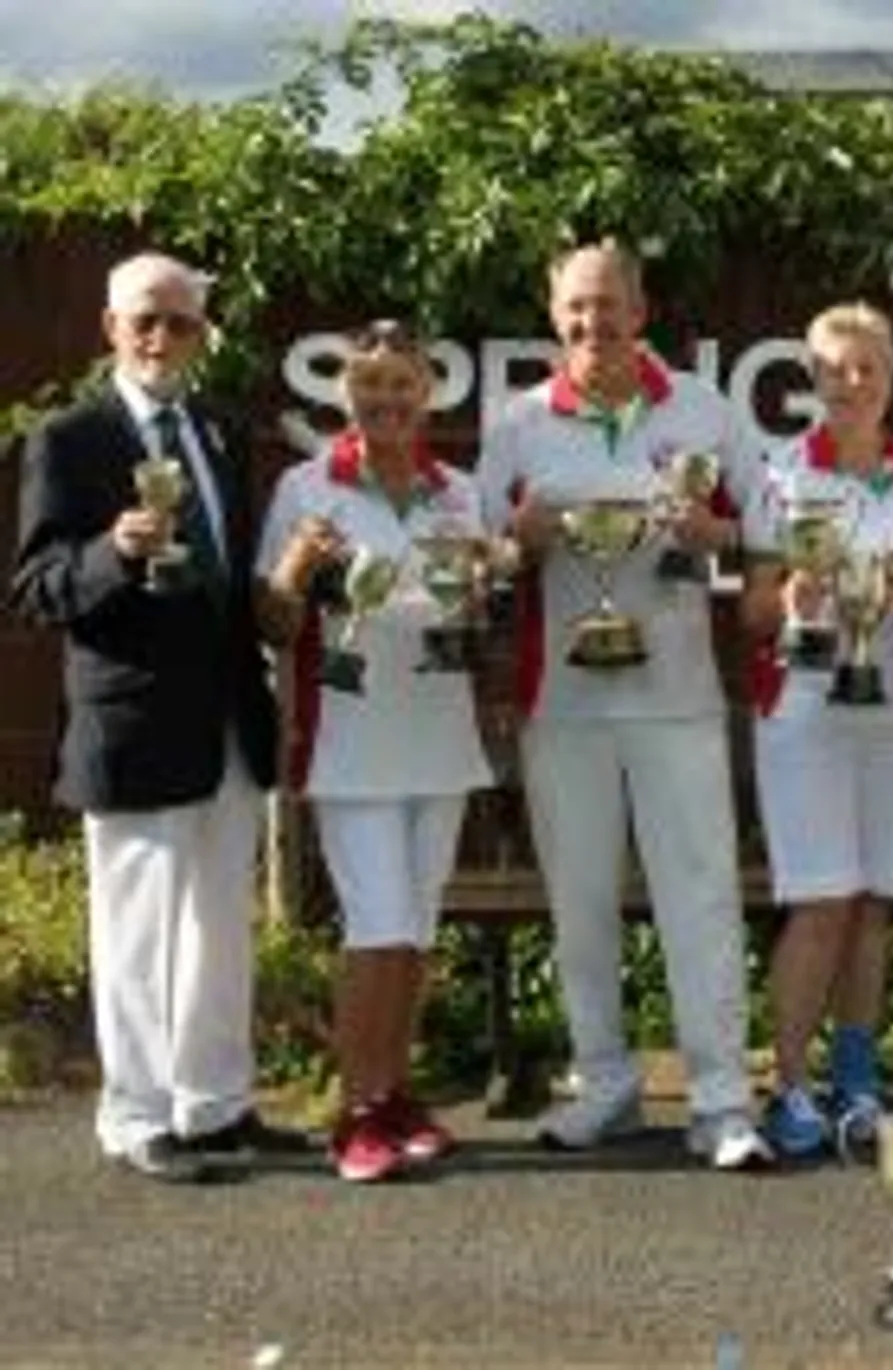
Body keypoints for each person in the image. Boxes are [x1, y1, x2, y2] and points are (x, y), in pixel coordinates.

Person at [8, 251, 303, 1181]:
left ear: (200, 334)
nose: (160, 337)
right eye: (144, 319)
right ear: (110, 328)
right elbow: (36, 589)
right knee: (137, 931)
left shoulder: (217, 429)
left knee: (219, 922)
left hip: (225, 714)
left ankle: (214, 1104)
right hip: (130, 724)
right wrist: (112, 549)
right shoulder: (73, 438)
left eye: (179, 322)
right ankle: (136, 1117)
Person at [475, 241, 770, 1168]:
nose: (592, 324)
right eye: (575, 308)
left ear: (641, 310)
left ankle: (721, 1099)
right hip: (560, 702)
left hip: (678, 696)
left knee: (701, 897)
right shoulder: (519, 423)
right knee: (582, 902)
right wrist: (513, 544)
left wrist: (711, 529)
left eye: (608, 306)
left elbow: (764, 531)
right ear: (553, 312)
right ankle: (604, 1084)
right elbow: (477, 562)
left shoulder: (706, 410)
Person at [257, 322, 494, 1182]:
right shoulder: (304, 486)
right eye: (371, 386)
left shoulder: (458, 492)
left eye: (404, 385)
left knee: (416, 932)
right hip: (350, 741)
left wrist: (477, 587)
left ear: (427, 392)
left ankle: (395, 1095)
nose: (388, 400)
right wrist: (292, 567)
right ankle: (353, 1113)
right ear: (347, 394)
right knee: (376, 928)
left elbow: (472, 618)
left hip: (440, 733)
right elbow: (276, 623)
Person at [739, 303, 893, 1158]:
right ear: (811, 379)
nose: (853, 384)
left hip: (892, 709)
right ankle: (790, 1084)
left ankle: (857, 1078)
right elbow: (746, 614)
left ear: (892, 378)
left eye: (869, 369)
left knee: (874, 904)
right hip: (806, 708)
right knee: (820, 902)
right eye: (836, 370)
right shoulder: (782, 479)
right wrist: (790, 600)